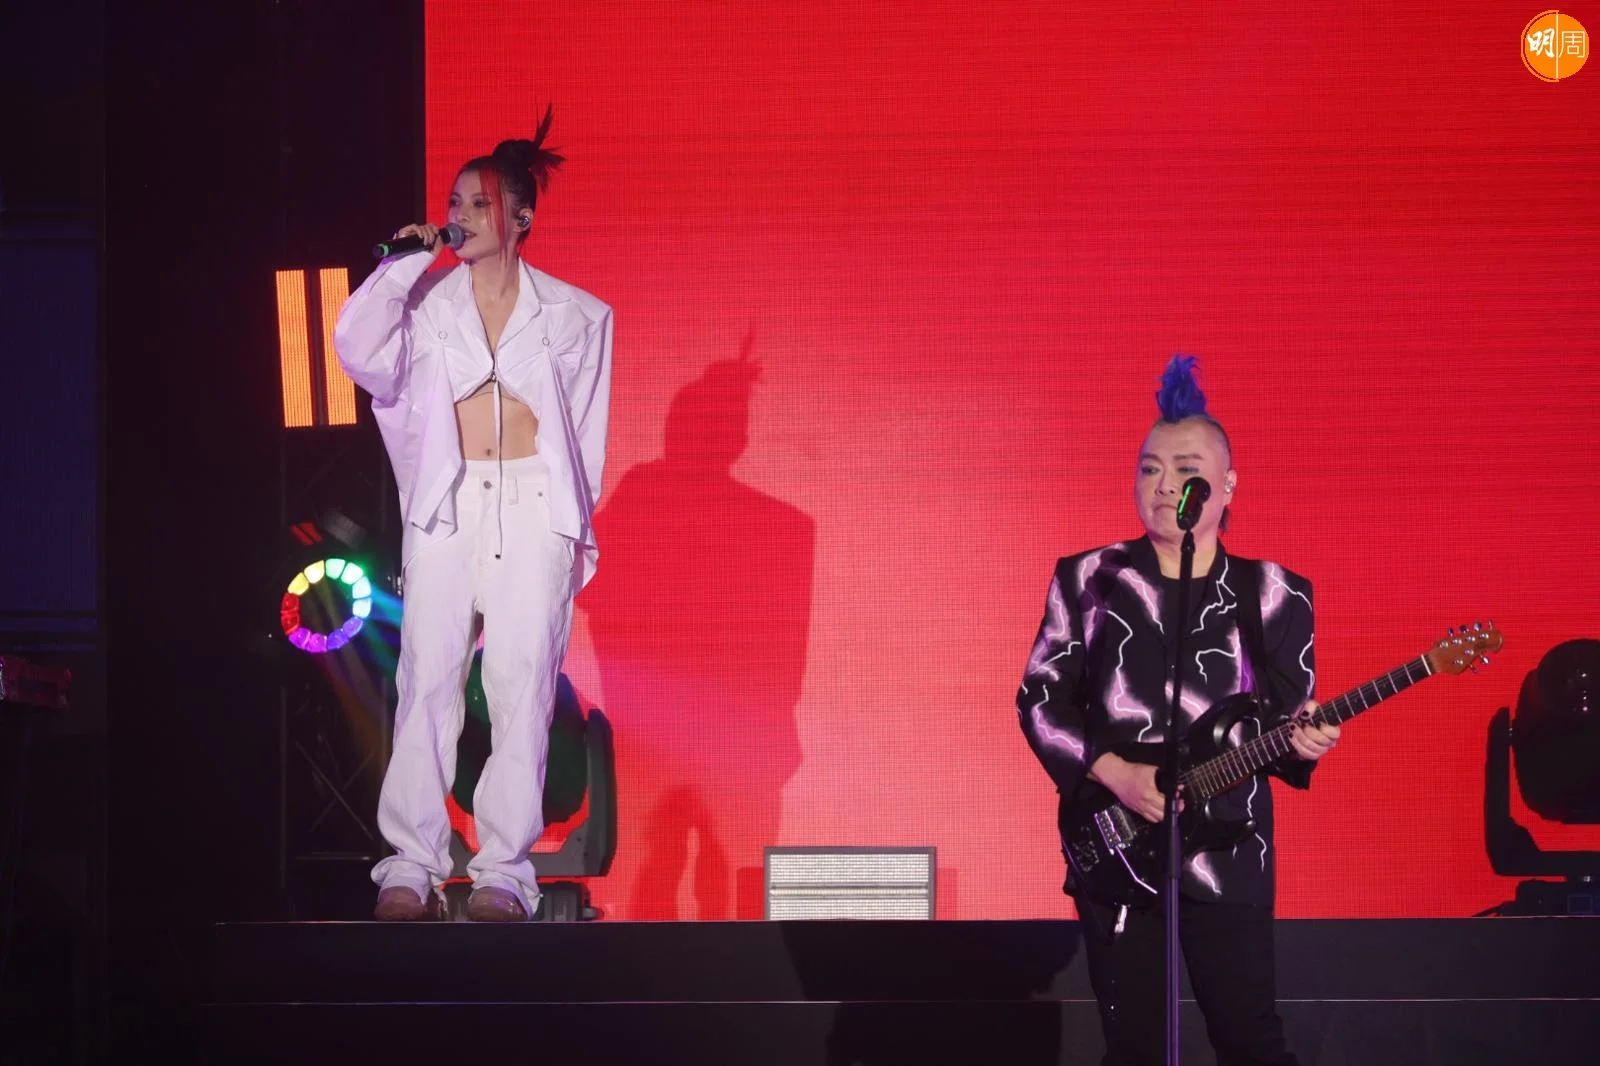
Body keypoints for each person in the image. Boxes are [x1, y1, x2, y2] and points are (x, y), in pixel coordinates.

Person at [1016, 355, 1339, 1065]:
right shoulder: (1090, 579)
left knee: (1251, 1042)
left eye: (1185, 470)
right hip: (1117, 846)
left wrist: (1303, 741)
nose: (1164, 487)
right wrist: (1117, 773)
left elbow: (1284, 725)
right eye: (1149, 469)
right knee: (1135, 1047)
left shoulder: (1277, 594)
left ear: (1227, 484)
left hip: (1230, 853)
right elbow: (1040, 697)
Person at [333, 108, 613, 922]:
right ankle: (410, 865)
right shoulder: (424, 305)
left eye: (480, 203)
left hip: (531, 506)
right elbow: (357, 349)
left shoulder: (577, 315)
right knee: (427, 679)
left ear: (522, 216)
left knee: (522, 685)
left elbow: (583, 432)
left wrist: (565, 528)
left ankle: (503, 871)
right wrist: (402, 266)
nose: (462, 215)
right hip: (451, 506)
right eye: (455, 202)